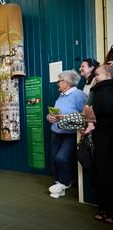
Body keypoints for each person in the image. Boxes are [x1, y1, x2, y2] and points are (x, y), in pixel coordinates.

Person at [46, 70, 87, 198]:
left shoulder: (79, 95)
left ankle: (65, 182)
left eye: (59, 81)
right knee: (55, 159)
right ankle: (59, 186)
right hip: (56, 132)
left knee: (61, 158)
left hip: (70, 133)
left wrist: (63, 117)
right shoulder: (61, 96)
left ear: (66, 83)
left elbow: (84, 116)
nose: (57, 83)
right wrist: (50, 117)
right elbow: (53, 114)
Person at [85, 64, 113, 224]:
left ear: (108, 75)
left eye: (98, 74)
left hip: (102, 132)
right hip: (101, 133)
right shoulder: (95, 90)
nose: (96, 77)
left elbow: (88, 112)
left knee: (104, 170)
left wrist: (90, 122)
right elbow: (88, 112)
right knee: (104, 170)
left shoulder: (95, 90)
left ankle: (107, 209)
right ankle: (106, 210)